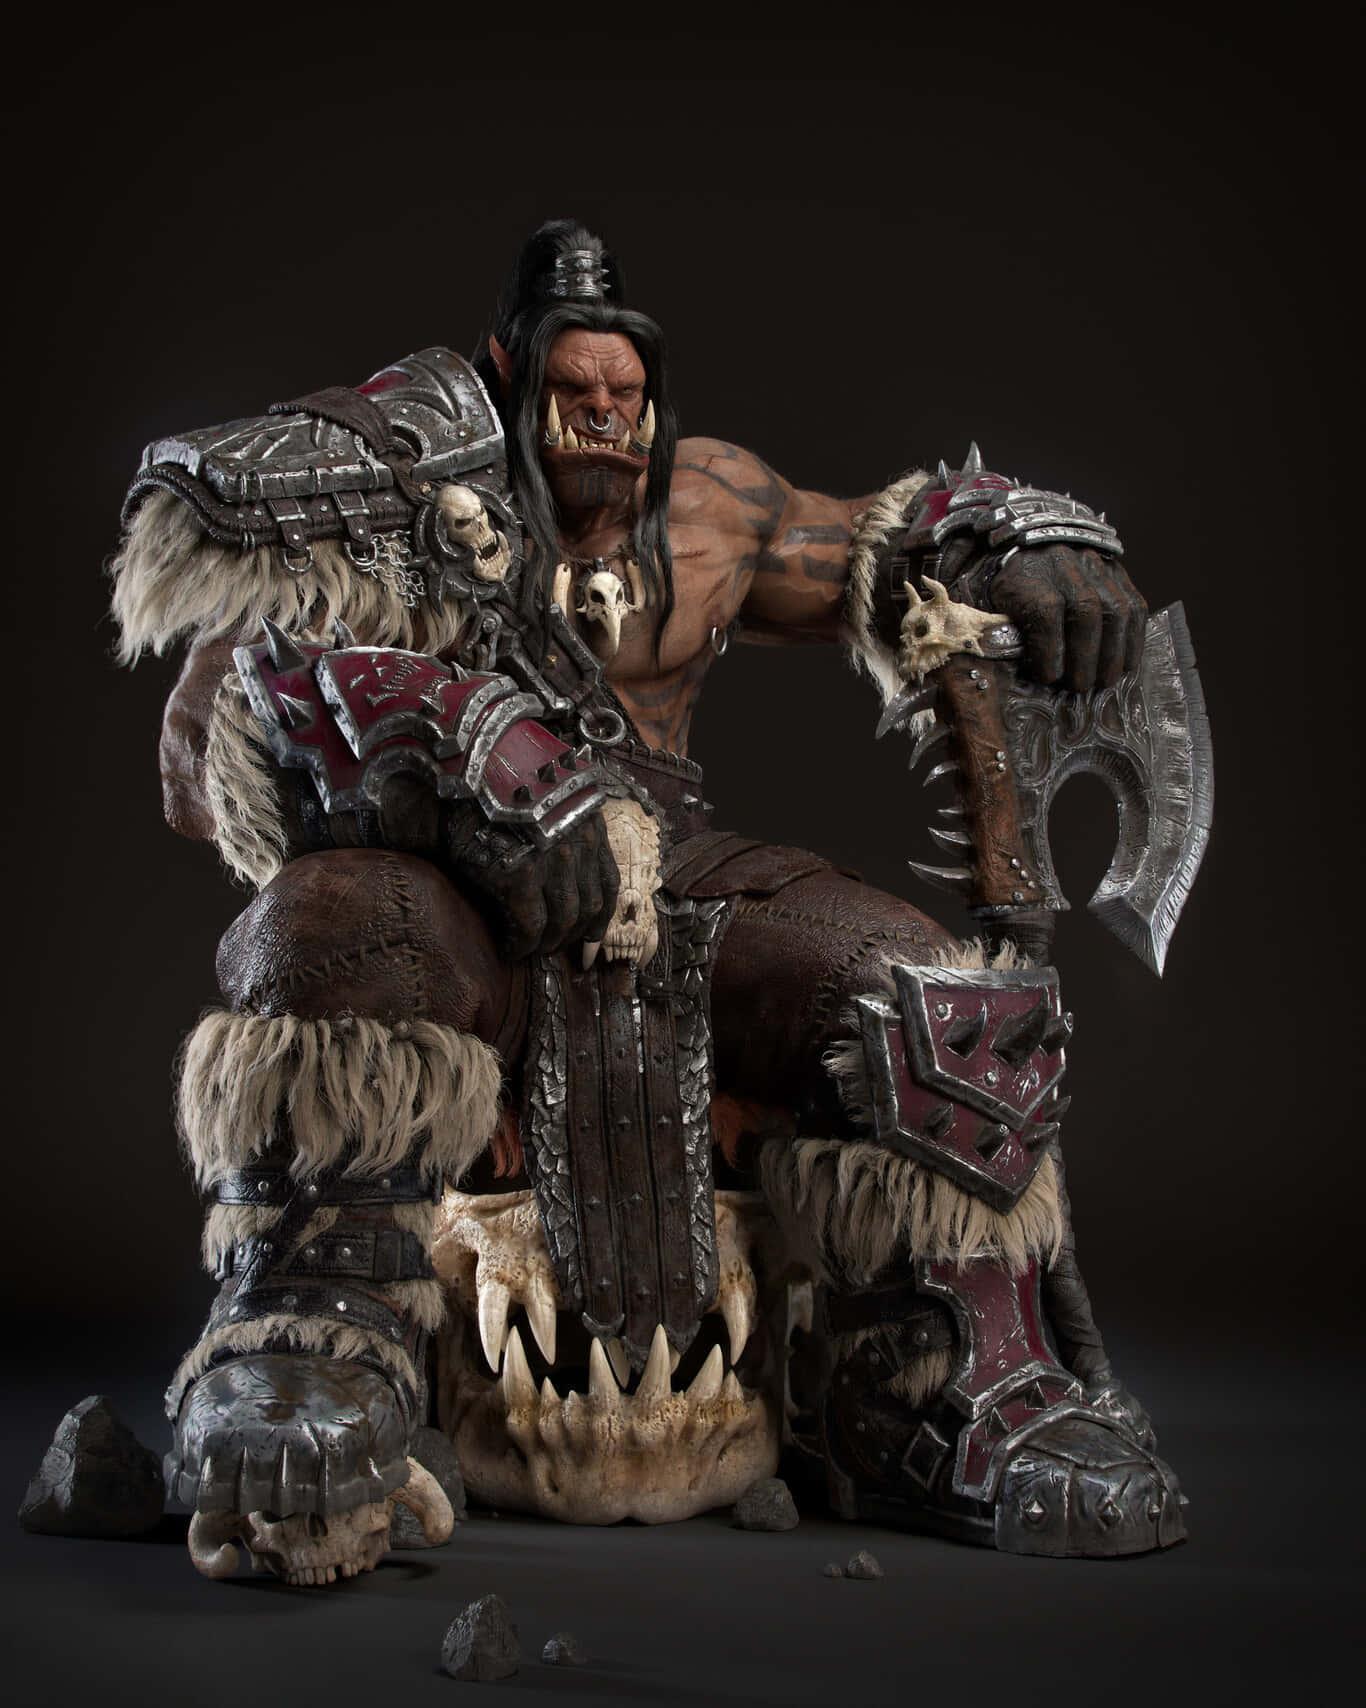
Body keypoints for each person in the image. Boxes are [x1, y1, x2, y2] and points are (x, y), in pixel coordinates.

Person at [110, 218, 1185, 1585]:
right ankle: (308, 1341)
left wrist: (1023, 537)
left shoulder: (713, 506)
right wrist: (447, 744)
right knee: (323, 932)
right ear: (510, 373)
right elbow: (208, 760)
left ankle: (942, 1388)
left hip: (668, 861)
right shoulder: (392, 484)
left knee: (921, 991)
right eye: (572, 388)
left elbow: (886, 541)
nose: (604, 415)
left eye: (624, 389)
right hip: (444, 876)